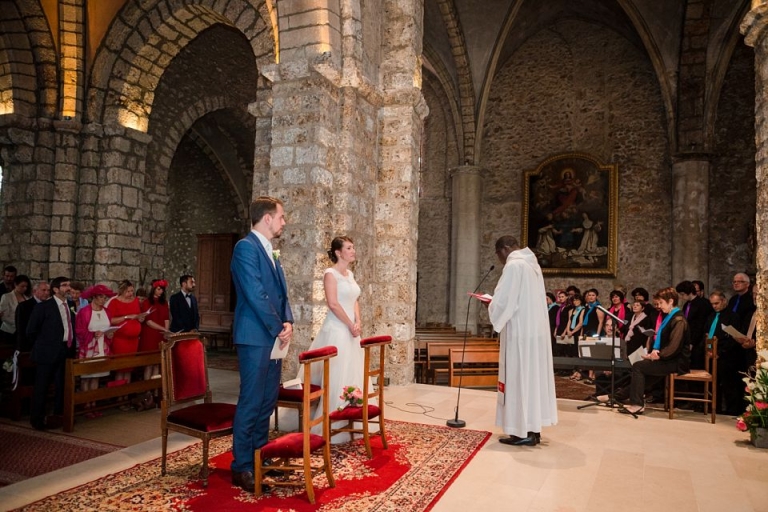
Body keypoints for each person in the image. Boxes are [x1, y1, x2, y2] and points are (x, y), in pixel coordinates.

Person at [230, 197, 294, 492]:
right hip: (255, 336)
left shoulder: (271, 252)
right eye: (281, 217)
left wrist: (288, 321)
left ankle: (261, 457)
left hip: (273, 335)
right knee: (252, 401)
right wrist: (276, 327)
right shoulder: (245, 248)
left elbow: (281, 293)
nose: (284, 222)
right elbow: (255, 294)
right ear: (266, 218)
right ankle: (242, 466)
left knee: (267, 401)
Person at [488, 236, 557, 446]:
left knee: (519, 381)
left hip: (520, 334)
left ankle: (522, 432)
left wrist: (490, 305)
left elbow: (505, 301)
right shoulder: (532, 265)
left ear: (505, 249)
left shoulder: (514, 265)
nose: (500, 259)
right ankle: (533, 430)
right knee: (531, 382)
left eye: (499, 254)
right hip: (533, 333)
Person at [303, 236, 364, 443]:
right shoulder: (330, 273)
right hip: (337, 329)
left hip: (351, 330)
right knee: (336, 374)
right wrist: (349, 324)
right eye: (349, 247)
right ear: (338, 252)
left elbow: (354, 300)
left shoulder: (351, 274)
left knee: (351, 372)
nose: (353, 250)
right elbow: (334, 304)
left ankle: (351, 420)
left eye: (353, 247)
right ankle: (331, 424)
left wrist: (358, 321)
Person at [601, 287, 690, 415]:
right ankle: (615, 397)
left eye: (660, 303)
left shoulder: (678, 320)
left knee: (638, 366)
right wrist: (654, 353)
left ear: (671, 301)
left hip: (677, 361)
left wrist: (657, 355)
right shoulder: (671, 317)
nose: (658, 307)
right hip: (669, 358)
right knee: (645, 374)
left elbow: (674, 346)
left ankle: (636, 404)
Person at [26, 277, 77, 430]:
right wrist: (45, 344)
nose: (68, 288)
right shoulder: (44, 307)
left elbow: (70, 326)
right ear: (55, 289)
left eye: (69, 285)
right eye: (65, 285)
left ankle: (58, 415)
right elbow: (31, 330)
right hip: (47, 352)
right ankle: (37, 419)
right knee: (42, 386)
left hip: (65, 349)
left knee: (62, 385)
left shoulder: (70, 304)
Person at [75, 284, 116, 418]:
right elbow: (79, 331)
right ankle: (86, 405)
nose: (103, 300)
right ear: (93, 297)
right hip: (89, 348)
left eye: (105, 297)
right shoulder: (84, 311)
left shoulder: (107, 312)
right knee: (86, 378)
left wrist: (110, 335)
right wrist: (92, 335)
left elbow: (109, 327)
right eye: (101, 297)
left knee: (97, 377)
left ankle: (93, 404)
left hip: (103, 347)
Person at [705, 290, 743, 415]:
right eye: (712, 304)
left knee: (728, 384)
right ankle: (715, 407)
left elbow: (734, 338)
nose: (714, 306)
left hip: (727, 355)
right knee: (714, 383)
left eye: (717, 303)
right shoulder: (711, 316)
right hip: (711, 354)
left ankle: (732, 410)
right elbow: (707, 333)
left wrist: (720, 352)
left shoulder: (732, 316)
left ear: (724, 301)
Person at [106, 280, 146, 385]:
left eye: (132, 291)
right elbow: (110, 320)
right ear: (122, 291)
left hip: (133, 340)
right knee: (121, 368)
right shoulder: (114, 302)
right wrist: (126, 317)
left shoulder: (136, 301)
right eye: (128, 291)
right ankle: (119, 394)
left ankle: (126, 393)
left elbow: (137, 315)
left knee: (129, 368)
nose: (131, 294)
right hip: (120, 340)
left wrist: (140, 318)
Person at [139, 279, 170, 382]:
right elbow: (148, 321)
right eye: (159, 289)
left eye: (162, 290)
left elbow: (166, 318)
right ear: (153, 289)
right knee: (149, 364)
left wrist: (166, 331)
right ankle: (147, 390)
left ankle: (155, 390)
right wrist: (163, 329)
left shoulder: (164, 303)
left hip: (161, 336)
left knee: (157, 364)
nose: (161, 291)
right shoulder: (147, 302)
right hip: (150, 335)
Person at [15, 281, 51, 352]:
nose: (47, 293)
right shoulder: (24, 306)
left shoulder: (50, 306)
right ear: (34, 291)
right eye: (43, 290)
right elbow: (21, 329)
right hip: (29, 346)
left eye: (48, 290)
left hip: (46, 346)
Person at [0, 274, 31, 346]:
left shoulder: (27, 298)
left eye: (26, 286)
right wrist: (19, 324)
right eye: (22, 286)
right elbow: (4, 316)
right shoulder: (6, 297)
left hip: (22, 331)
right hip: (9, 330)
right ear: (15, 285)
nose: (25, 288)